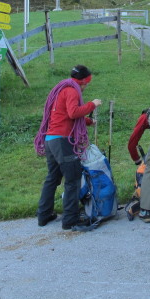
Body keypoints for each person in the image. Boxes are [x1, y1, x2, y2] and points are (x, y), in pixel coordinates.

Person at [34, 65, 102, 230]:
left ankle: (44, 215)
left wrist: (88, 121)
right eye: (87, 84)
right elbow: (73, 113)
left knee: (52, 178)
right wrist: (92, 104)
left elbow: (65, 116)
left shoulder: (62, 89)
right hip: (62, 142)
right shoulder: (72, 90)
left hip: (51, 140)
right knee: (73, 179)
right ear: (84, 81)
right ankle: (70, 220)